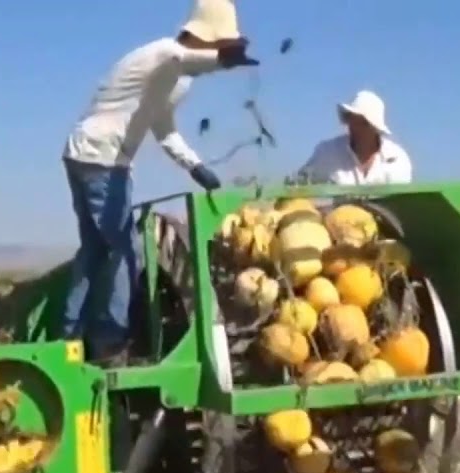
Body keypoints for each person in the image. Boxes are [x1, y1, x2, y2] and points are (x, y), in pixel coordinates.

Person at [60, 0, 258, 365]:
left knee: (95, 250)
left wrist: (196, 167)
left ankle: (69, 338)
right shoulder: (162, 54)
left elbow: (163, 129)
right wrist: (223, 61)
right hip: (103, 160)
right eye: (216, 48)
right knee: (125, 249)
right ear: (203, 39)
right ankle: (110, 343)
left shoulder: (176, 81)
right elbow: (182, 58)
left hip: (89, 155)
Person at [293, 90, 412, 186]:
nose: (355, 128)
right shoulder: (326, 153)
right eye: (352, 120)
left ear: (375, 128)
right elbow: (299, 185)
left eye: (363, 123)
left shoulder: (397, 159)